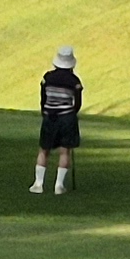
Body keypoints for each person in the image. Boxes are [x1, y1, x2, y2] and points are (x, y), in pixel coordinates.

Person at [31, 45, 84, 195]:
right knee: (65, 151)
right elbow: (78, 102)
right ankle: (59, 185)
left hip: (50, 116)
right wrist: (73, 113)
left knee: (44, 149)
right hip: (67, 117)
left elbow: (43, 98)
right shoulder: (74, 80)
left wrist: (45, 111)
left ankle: (38, 184)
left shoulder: (47, 77)